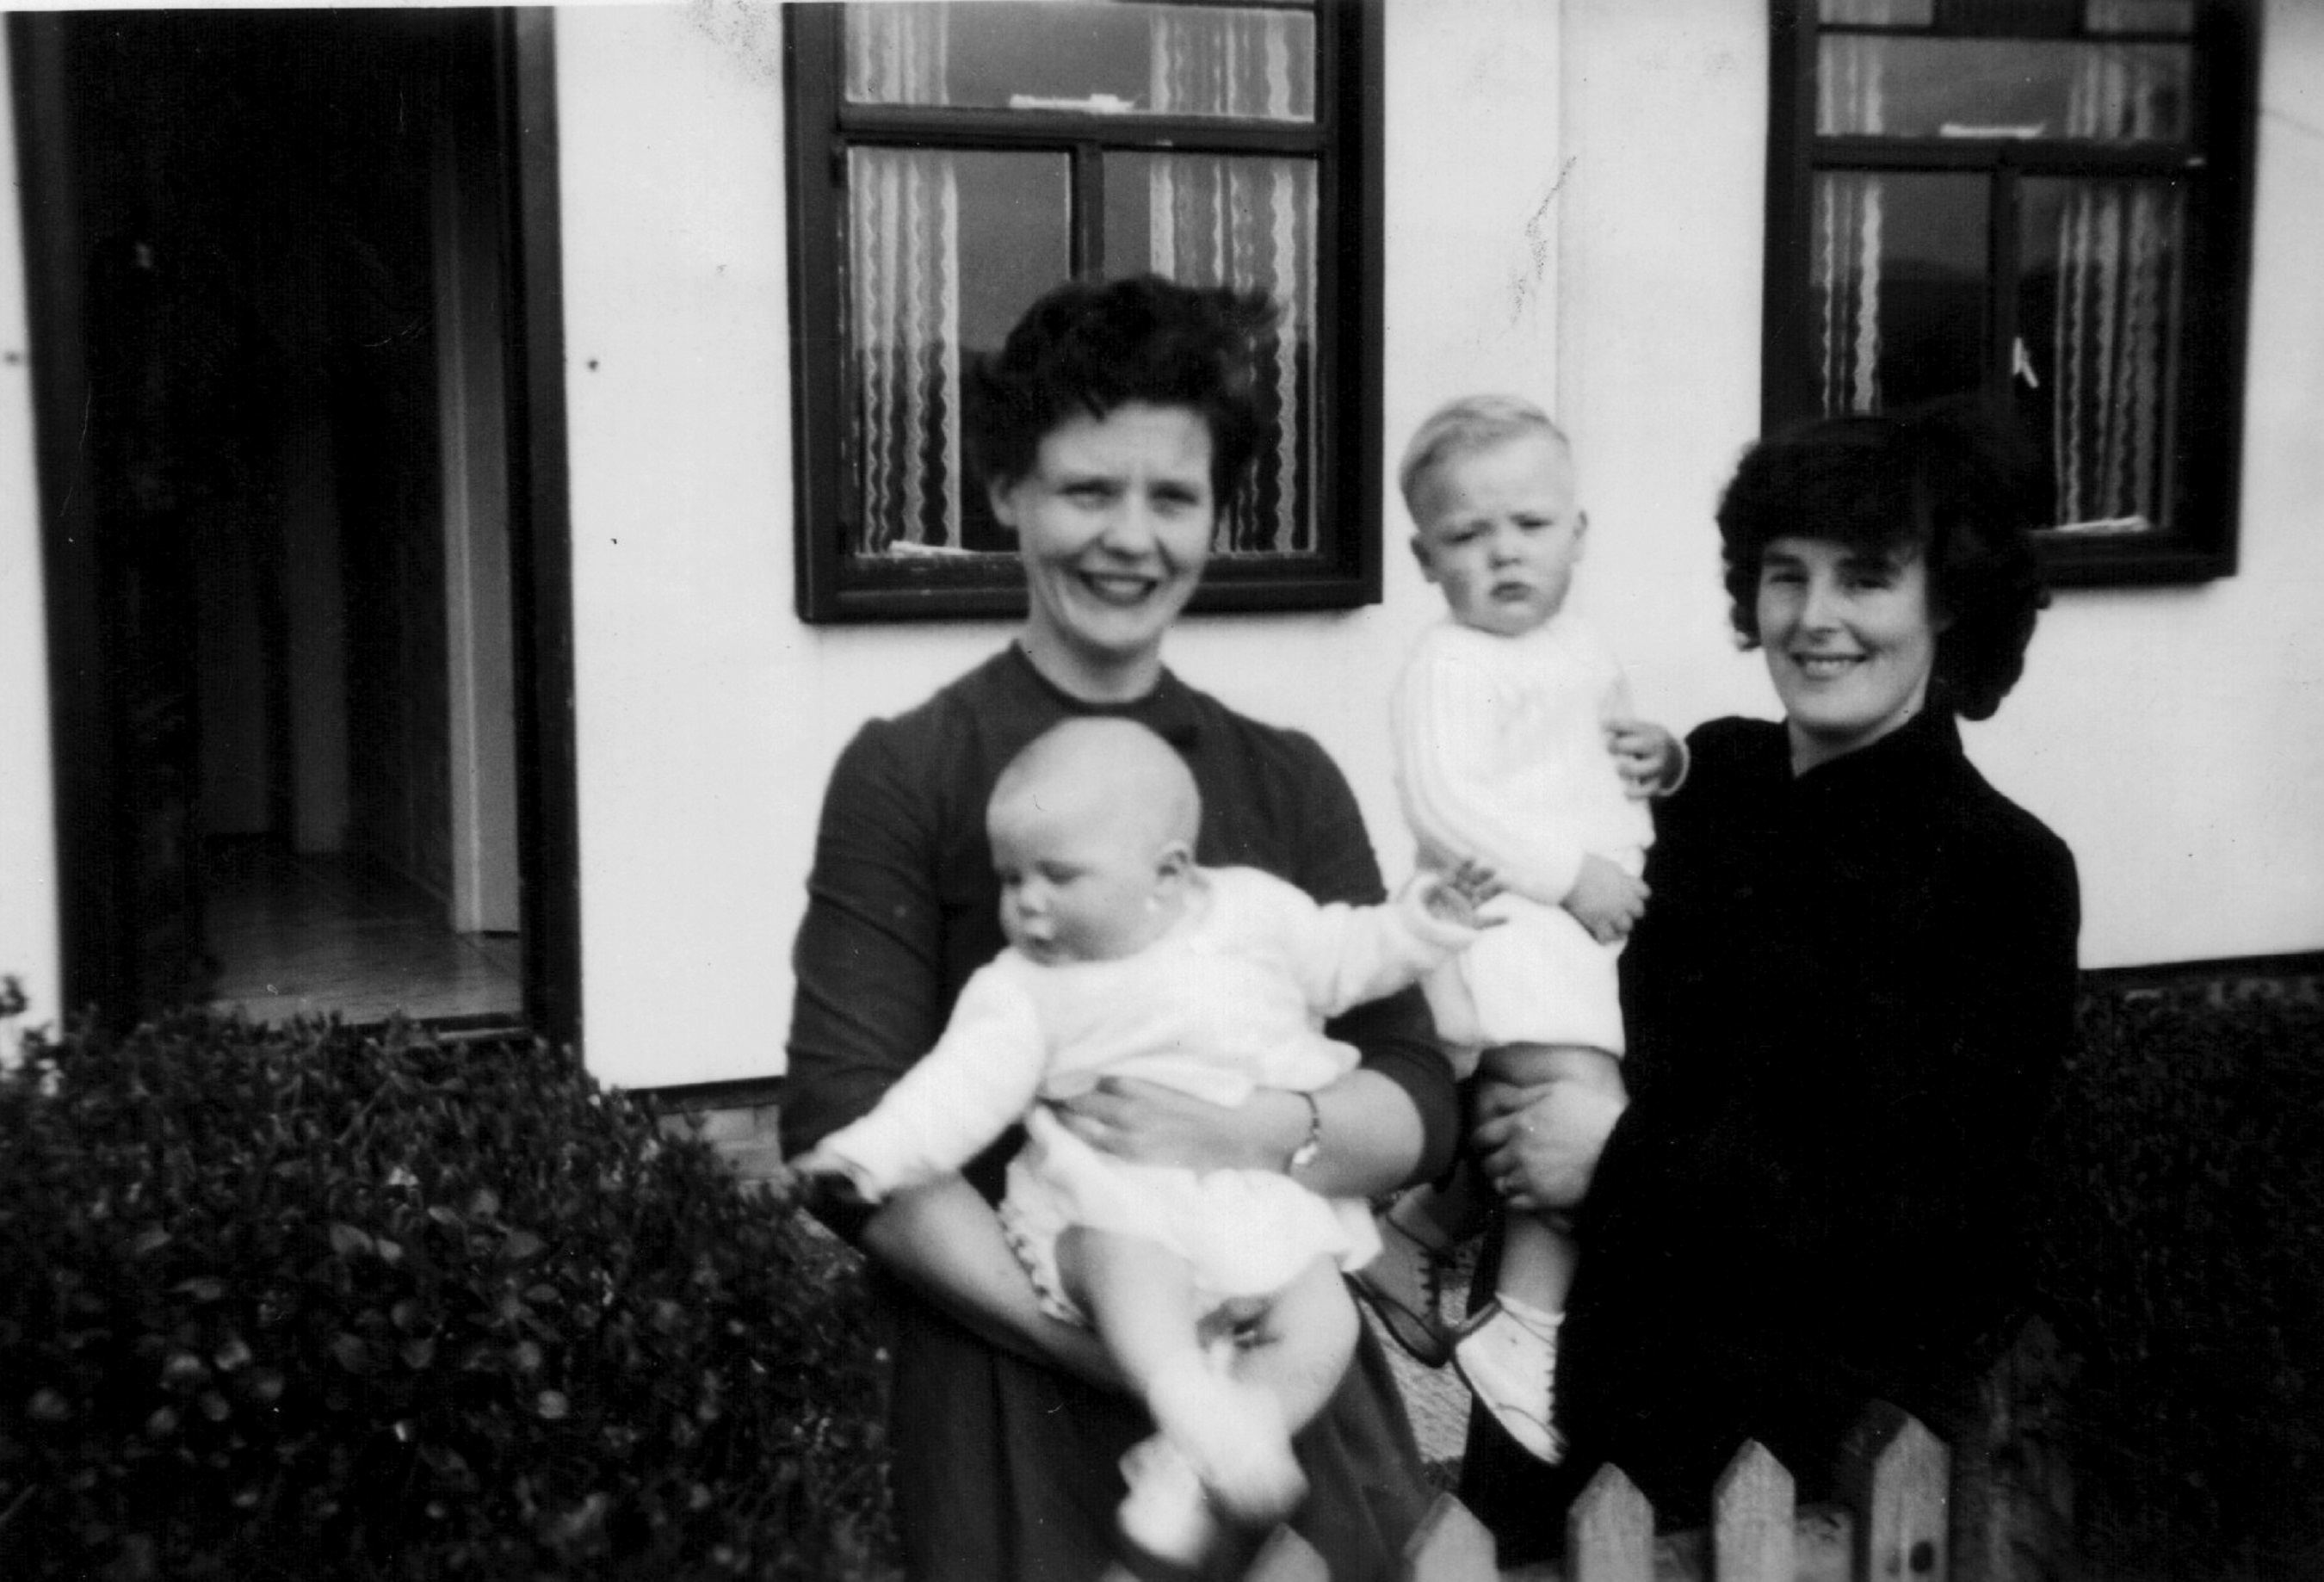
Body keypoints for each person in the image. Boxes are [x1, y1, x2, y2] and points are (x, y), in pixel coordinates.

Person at [781, 274, 1463, 1582]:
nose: (1129, 537)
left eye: (1173, 496)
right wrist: (1123, 1347)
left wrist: (1248, 1134)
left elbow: (1418, 1093)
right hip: (1019, 1378)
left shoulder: (1285, 777)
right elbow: (840, 1122)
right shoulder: (911, 771)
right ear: (1006, 495)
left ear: (1219, 511)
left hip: (1281, 1377)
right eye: (1088, 490)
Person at [1456, 398, 2082, 1551]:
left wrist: (1618, 1155)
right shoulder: (1712, 780)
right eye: (1786, 576)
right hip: (1565, 1397)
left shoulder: (2004, 871)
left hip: (1798, 1456)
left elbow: (1927, 1227)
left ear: (1947, 598)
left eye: (1865, 579)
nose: (1815, 618)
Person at [793, 717, 1496, 1565]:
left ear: (1167, 873)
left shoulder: (1253, 912)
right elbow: (951, 1095)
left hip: (1247, 1197)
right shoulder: (1024, 987)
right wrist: (868, 1155)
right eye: (1012, 878)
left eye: (1056, 876)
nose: (1027, 905)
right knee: (1137, 1272)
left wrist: (1425, 924)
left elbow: (1348, 955)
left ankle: (1204, 1453)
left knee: (1323, 1319)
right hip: (1108, 1201)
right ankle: (1187, 1402)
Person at [1347, 397, 1681, 1466]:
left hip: (1575, 939)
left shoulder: (1580, 646)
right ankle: (1522, 1326)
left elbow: (1601, 769)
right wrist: (1570, 875)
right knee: (1577, 1118)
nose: (1503, 554)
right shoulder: (1450, 664)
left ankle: (1414, 1236)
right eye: (1466, 535)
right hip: (1512, 927)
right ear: (1423, 557)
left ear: (1577, 533)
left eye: (1531, 526)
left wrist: (1658, 761)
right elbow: (1448, 804)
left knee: (1529, 1119)